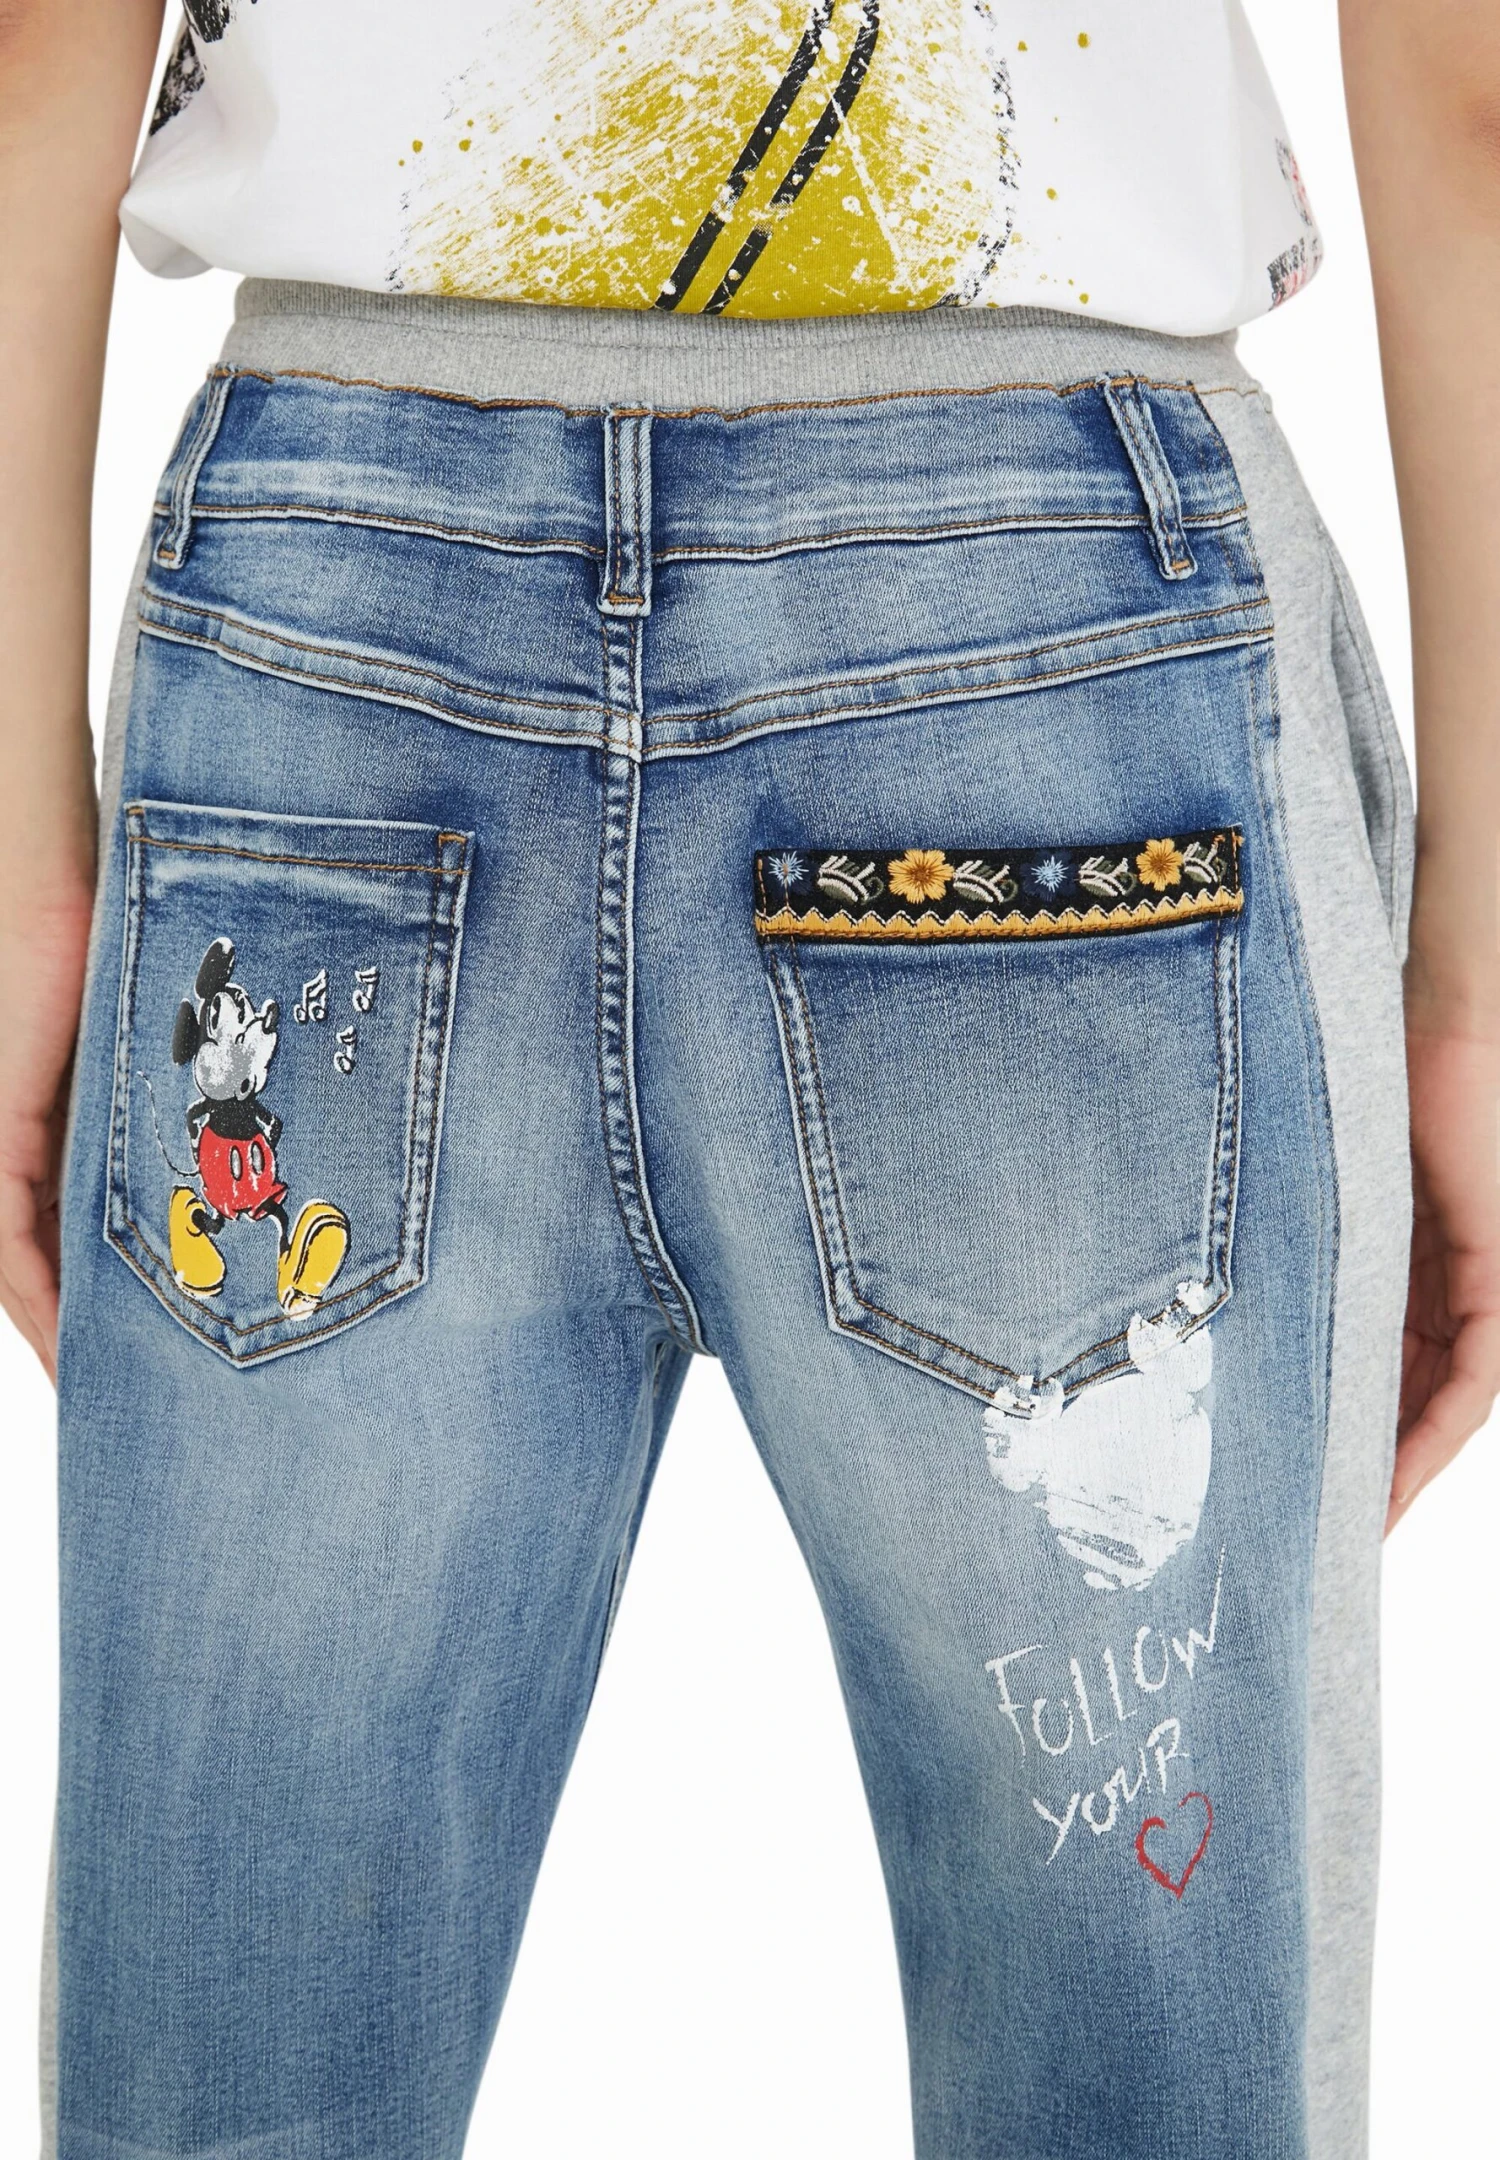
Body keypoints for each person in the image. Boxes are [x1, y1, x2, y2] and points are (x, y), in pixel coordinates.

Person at [2, 2, 1494, 2154]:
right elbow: (1474, 91)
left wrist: (21, 878)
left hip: (335, 614)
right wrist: (1477, 991)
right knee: (1148, 2066)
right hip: (1044, 623)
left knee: (230, 2061)